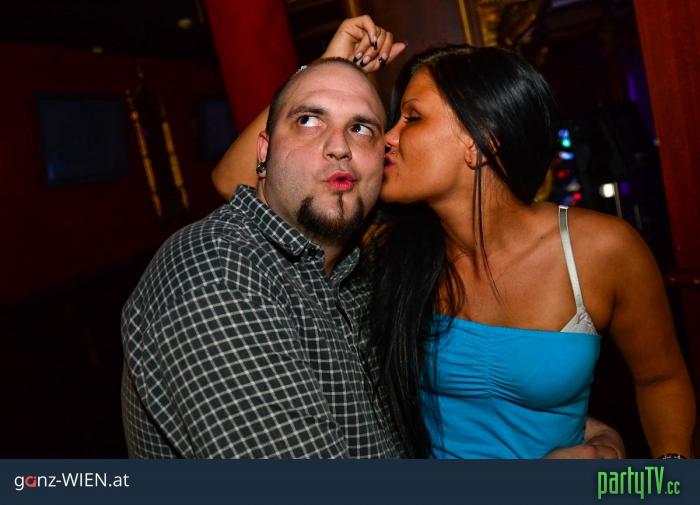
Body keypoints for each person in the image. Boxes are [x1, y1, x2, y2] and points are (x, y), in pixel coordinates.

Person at [212, 17, 693, 459]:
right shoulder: (387, 245)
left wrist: (661, 484)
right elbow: (238, 181)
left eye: (412, 118)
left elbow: (661, 379)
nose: (386, 138)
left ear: (481, 141)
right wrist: (327, 67)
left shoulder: (600, 250)